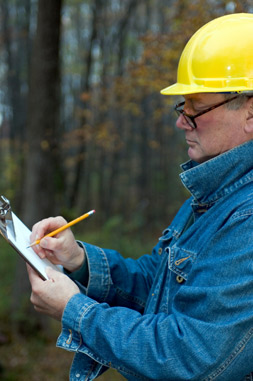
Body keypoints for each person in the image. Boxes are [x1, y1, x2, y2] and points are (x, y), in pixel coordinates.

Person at [27, 13, 253, 380]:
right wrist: (79, 260)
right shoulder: (215, 194)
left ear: (250, 111)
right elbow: (160, 287)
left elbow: (189, 358)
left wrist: (74, 310)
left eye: (195, 107)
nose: (181, 121)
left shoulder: (247, 217)